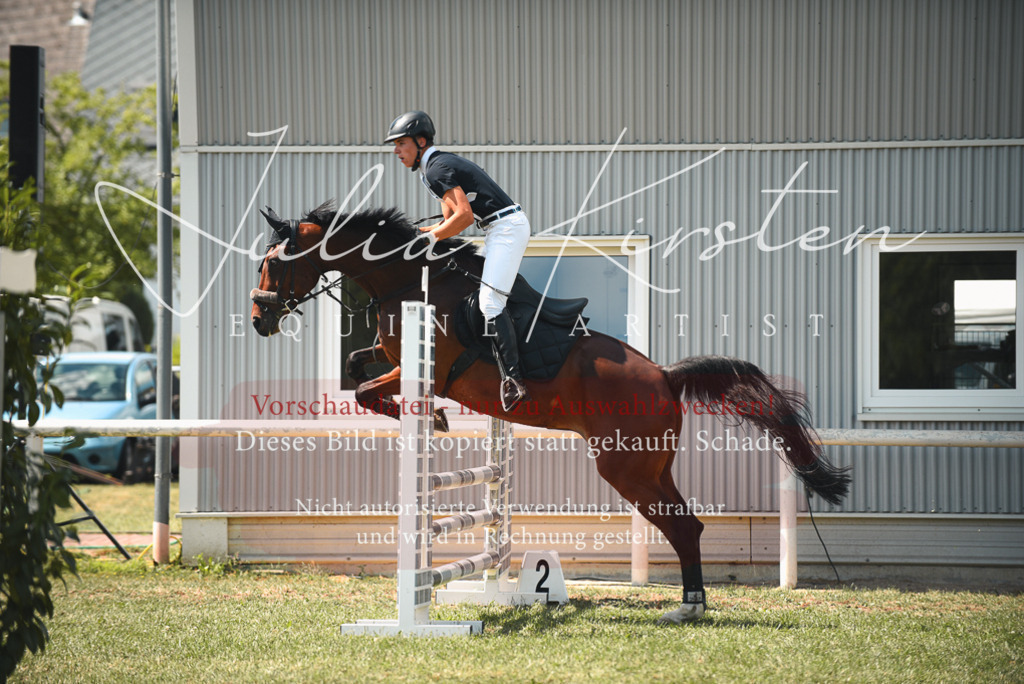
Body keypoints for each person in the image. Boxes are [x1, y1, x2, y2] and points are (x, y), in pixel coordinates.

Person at [386, 110, 530, 411]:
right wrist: (421, 233)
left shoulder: (436, 168)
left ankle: (514, 380)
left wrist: (430, 239)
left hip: (506, 229)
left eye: (401, 143)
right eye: (395, 145)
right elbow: (449, 217)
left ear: (421, 141)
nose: (396, 151)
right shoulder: (433, 168)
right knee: (472, 291)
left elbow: (463, 218)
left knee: (490, 302)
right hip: (496, 229)